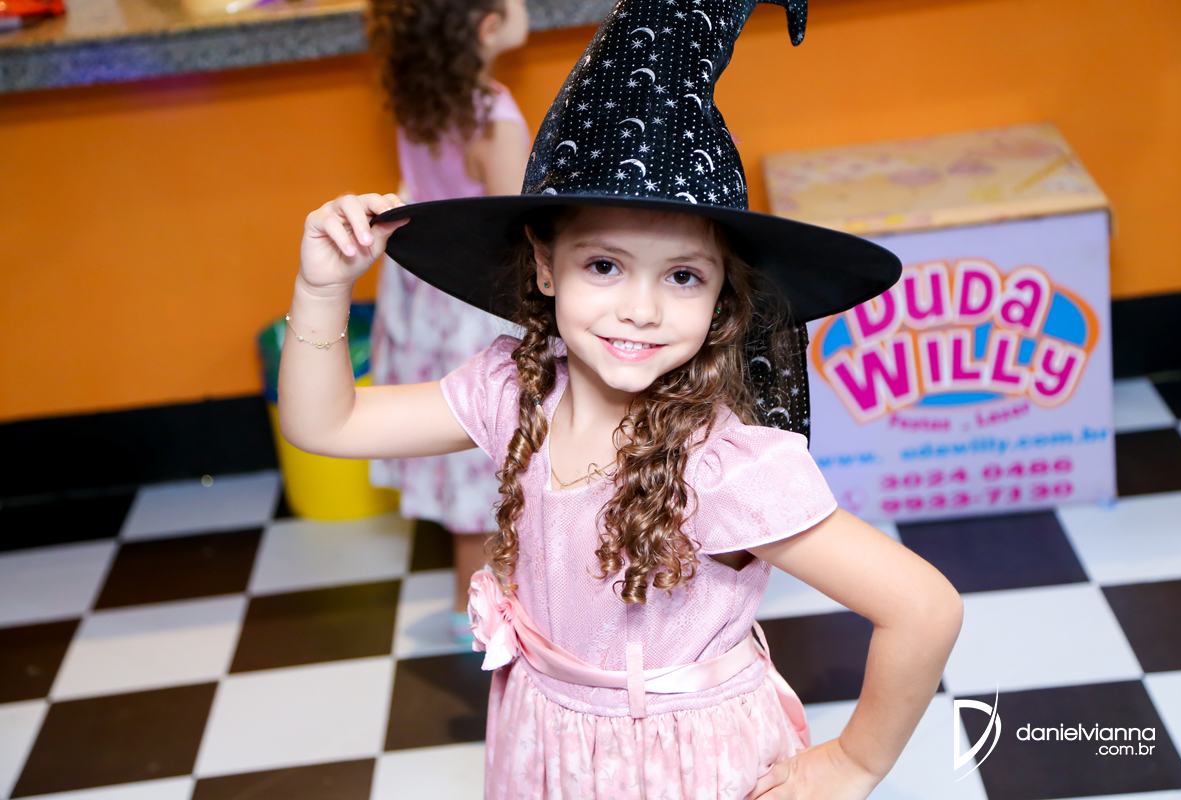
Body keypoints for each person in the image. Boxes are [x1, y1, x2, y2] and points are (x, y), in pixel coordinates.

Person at [279, 0, 963, 797]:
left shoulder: (722, 466)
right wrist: (321, 290)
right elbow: (326, 422)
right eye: (604, 265)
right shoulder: (515, 391)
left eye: (683, 276)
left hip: (681, 765)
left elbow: (923, 608)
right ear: (545, 266)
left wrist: (855, 761)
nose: (640, 308)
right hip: (543, 740)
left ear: (722, 294)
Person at [365, 0, 531, 635]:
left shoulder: (422, 98)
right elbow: (514, 228)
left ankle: (478, 610)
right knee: (491, 458)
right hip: (476, 306)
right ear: (488, 27)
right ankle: (485, 622)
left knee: (463, 448)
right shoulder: (494, 117)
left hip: (428, 300)